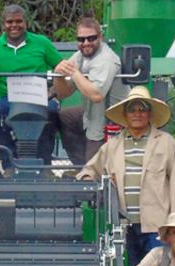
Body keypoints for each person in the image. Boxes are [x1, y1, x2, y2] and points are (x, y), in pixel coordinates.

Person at [78, 86, 175, 266]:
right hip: (123, 227)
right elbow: (89, 170)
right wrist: (89, 181)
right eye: (132, 110)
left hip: (157, 227)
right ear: (125, 114)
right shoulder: (112, 145)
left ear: (149, 113)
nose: (137, 114)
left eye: (142, 109)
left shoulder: (166, 142)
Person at [0, 4, 65, 167]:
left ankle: (45, 165)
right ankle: (10, 165)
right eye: (10, 22)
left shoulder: (41, 43)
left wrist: (52, 91)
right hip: (9, 98)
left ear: (26, 22)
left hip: (39, 96)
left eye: (18, 21)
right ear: (3, 24)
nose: (14, 25)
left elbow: (61, 67)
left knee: (53, 112)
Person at [52, 16, 126, 166]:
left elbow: (96, 95)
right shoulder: (80, 56)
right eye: (81, 39)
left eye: (91, 38)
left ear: (100, 37)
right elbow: (63, 93)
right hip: (91, 114)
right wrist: (58, 76)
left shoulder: (106, 59)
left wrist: (73, 72)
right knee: (66, 117)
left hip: (112, 119)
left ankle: (90, 175)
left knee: (95, 171)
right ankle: (81, 168)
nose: (86, 43)